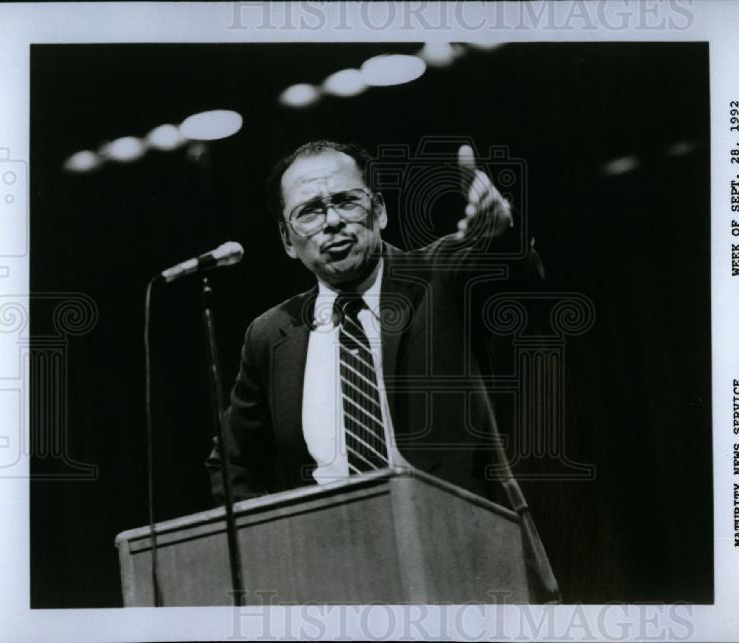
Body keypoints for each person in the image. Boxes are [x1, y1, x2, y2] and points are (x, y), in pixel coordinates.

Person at [206, 139, 543, 506]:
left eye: (346, 201)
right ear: (288, 239)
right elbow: (230, 462)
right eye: (309, 212)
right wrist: (267, 546)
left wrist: (502, 232)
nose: (332, 222)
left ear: (379, 210)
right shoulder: (270, 336)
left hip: (461, 534)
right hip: (331, 552)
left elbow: (516, 274)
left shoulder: (440, 273)